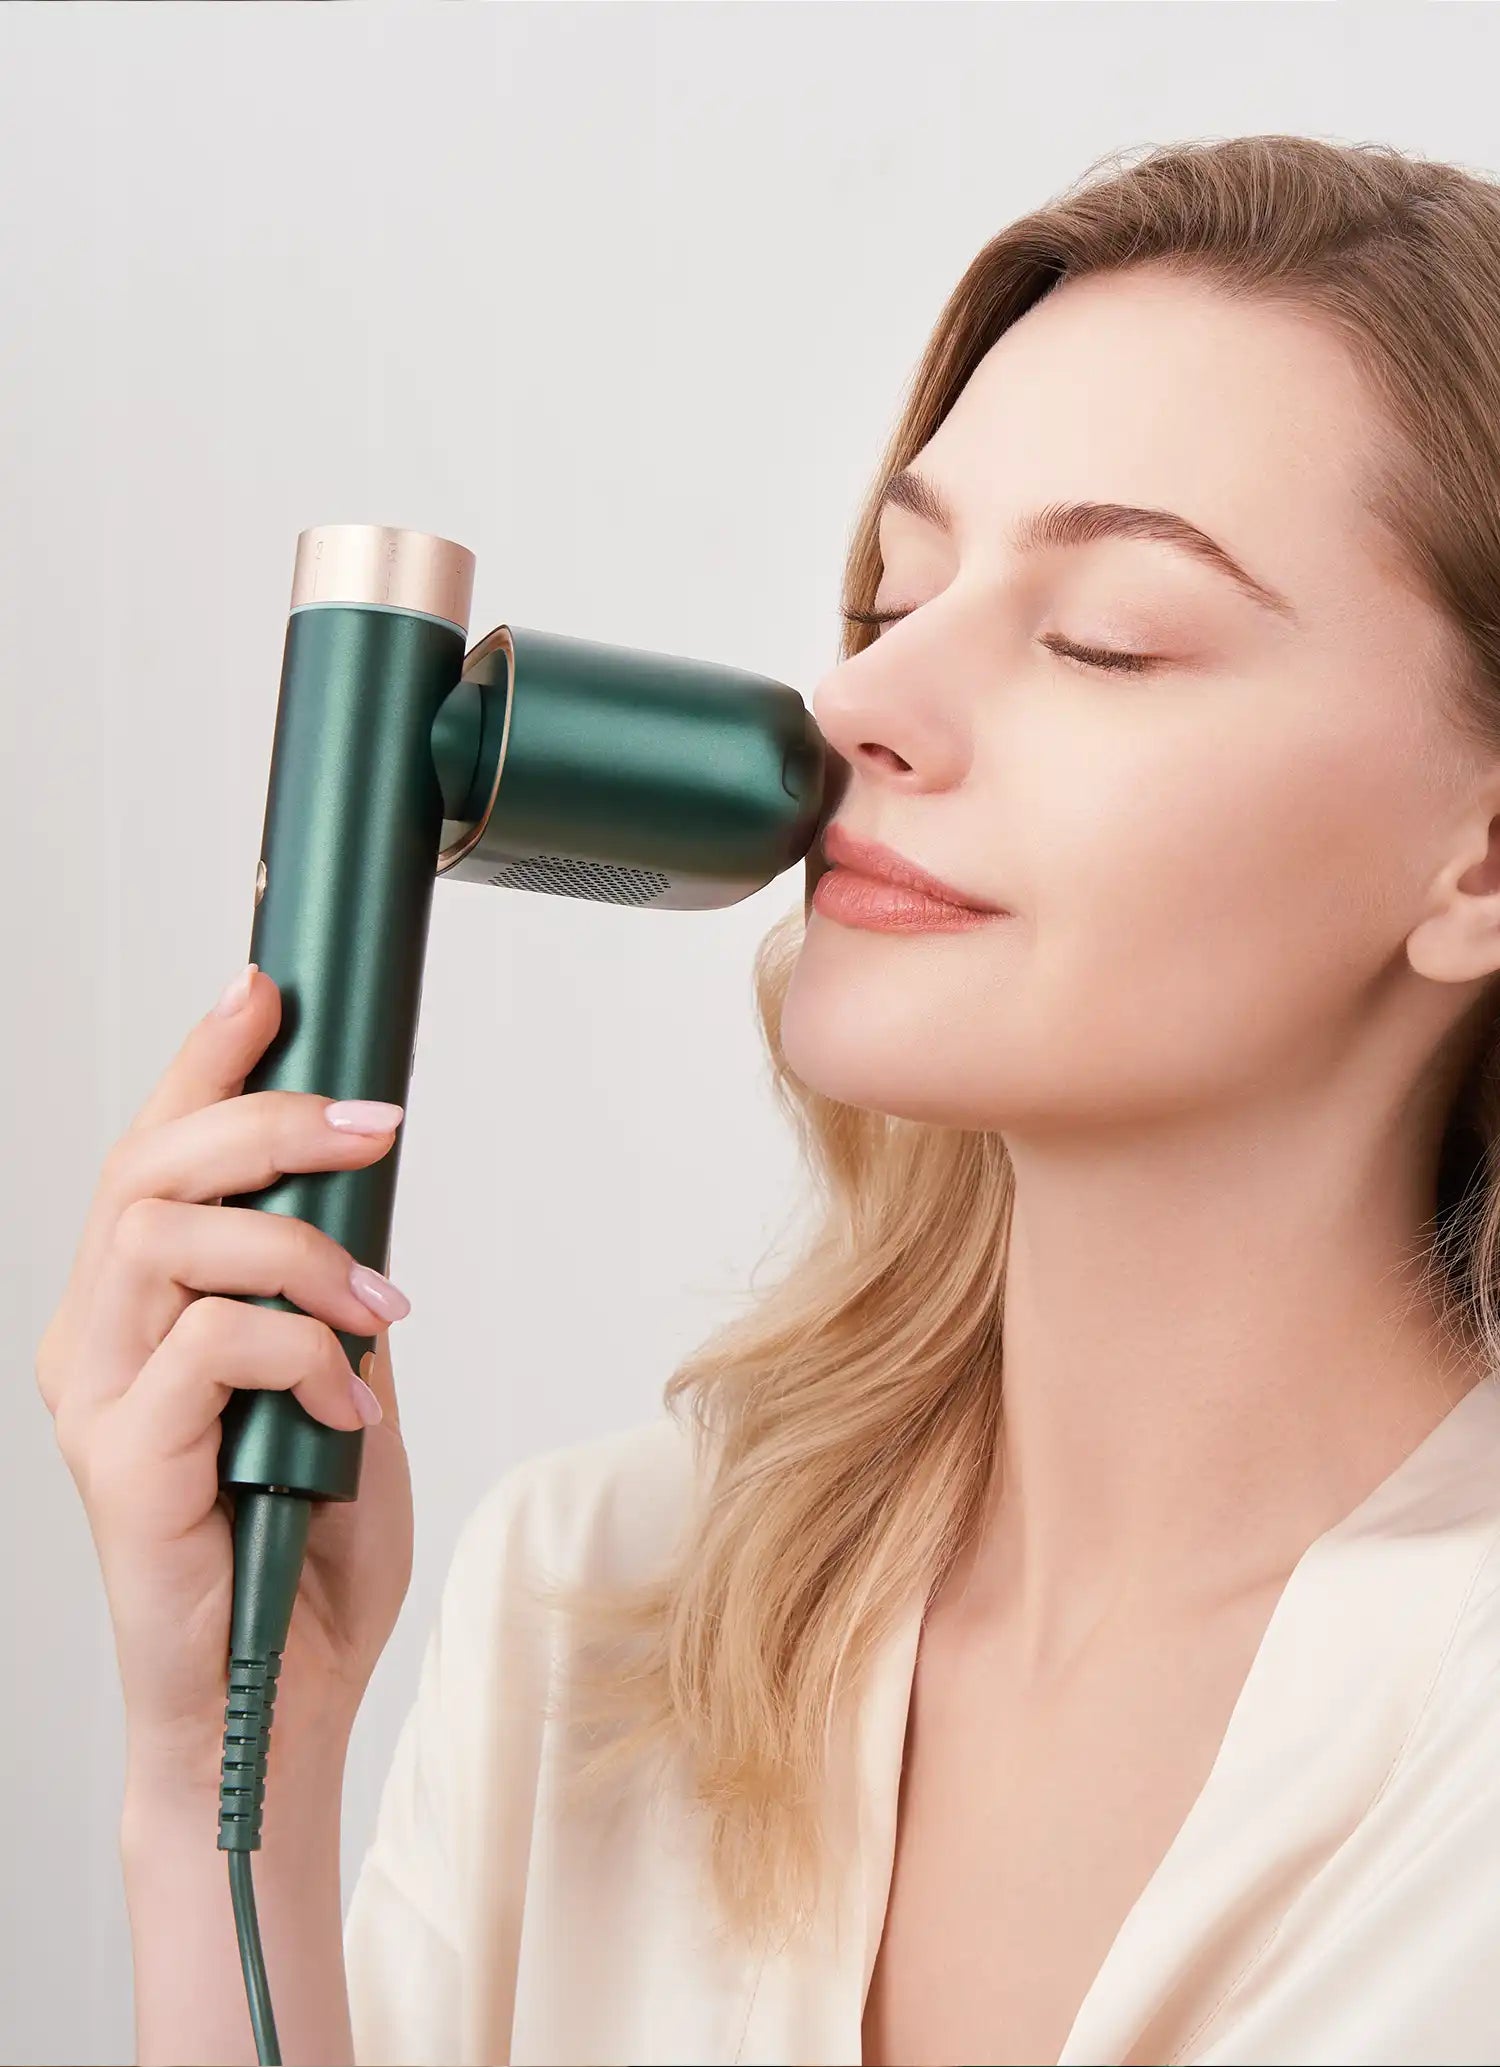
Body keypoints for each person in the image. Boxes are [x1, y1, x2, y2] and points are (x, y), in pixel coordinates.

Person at [38, 130, 1500, 2067]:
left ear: (1481, 856)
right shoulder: (592, 1606)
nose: (858, 706)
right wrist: (219, 1794)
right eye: (894, 597)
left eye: (1106, 637)